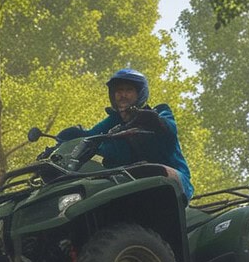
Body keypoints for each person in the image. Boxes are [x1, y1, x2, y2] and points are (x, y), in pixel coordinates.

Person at [54, 68, 194, 199]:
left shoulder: (160, 112)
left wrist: (149, 119)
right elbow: (90, 136)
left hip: (168, 181)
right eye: (119, 90)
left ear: (140, 93)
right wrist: (64, 141)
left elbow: (168, 127)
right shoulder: (113, 121)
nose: (123, 95)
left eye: (129, 90)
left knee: (154, 172)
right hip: (123, 183)